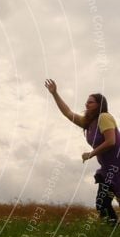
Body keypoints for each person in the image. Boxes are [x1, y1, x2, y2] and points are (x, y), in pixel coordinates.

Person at [45, 79, 120, 226]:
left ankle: (112, 231)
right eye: (87, 102)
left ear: (99, 105)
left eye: (91, 102)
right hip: (107, 169)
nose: (87, 104)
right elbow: (67, 113)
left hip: (118, 165)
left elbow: (111, 141)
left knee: (103, 203)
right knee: (102, 204)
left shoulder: (104, 117)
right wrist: (55, 94)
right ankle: (112, 230)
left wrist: (90, 154)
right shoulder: (88, 123)